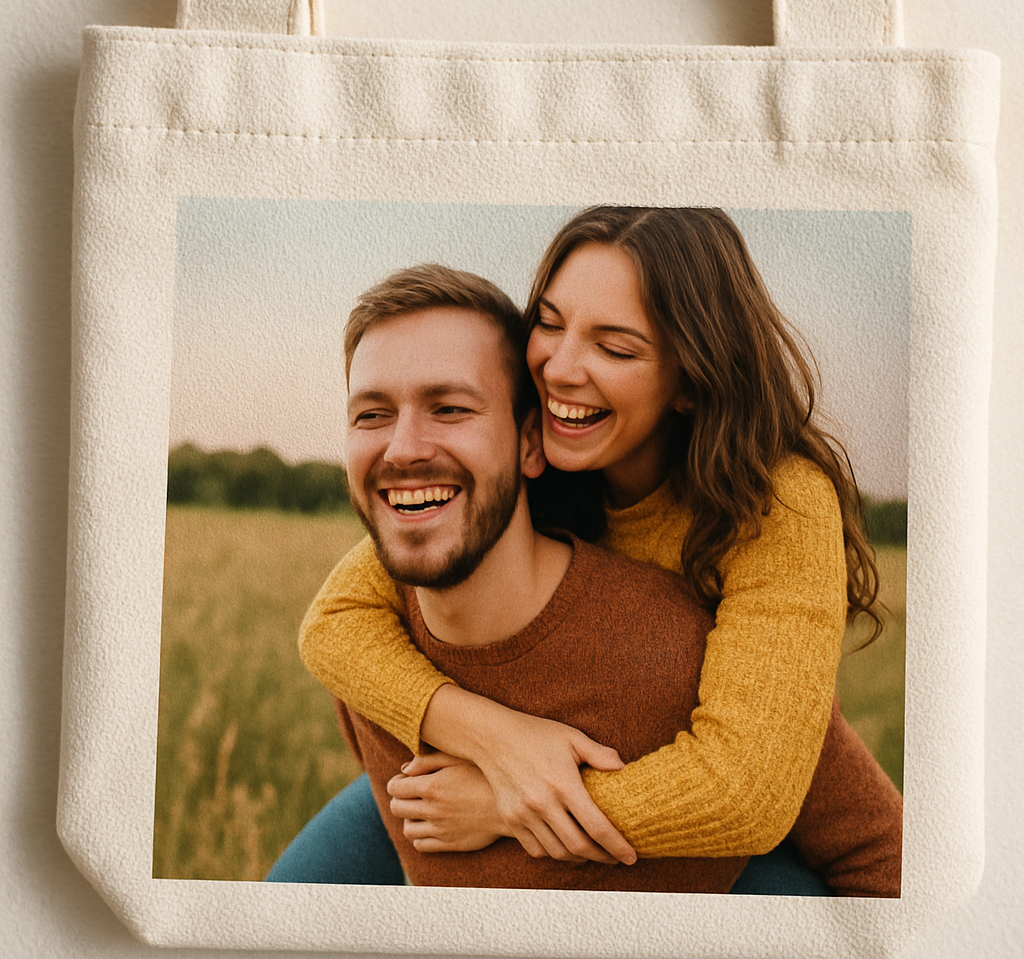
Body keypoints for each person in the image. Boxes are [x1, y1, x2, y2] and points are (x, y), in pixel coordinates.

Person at [284, 207, 891, 887]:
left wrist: (508, 806)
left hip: (740, 826)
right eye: (549, 322)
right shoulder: (534, 457)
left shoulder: (775, 501)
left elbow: (745, 790)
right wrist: (496, 740)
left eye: (617, 348)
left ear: (691, 380)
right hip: (498, 772)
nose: (559, 368)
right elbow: (336, 621)